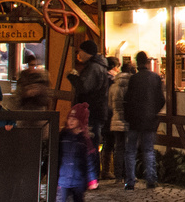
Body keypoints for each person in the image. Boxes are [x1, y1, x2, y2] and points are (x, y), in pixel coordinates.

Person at [65, 42, 112, 189]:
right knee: (91, 143)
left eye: (81, 52)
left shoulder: (93, 67)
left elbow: (85, 87)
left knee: (90, 145)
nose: (79, 55)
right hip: (95, 111)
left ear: (87, 53)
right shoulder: (98, 66)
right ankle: (91, 178)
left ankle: (92, 179)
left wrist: (73, 78)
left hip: (92, 112)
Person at [52, 102, 95, 202]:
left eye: (74, 119)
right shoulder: (62, 136)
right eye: (69, 118)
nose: (70, 121)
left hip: (79, 179)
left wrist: (92, 179)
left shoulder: (85, 141)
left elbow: (89, 161)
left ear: (81, 122)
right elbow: (55, 156)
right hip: (63, 178)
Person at [122, 51, 164, 189]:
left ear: (136, 62)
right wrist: (153, 112)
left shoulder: (134, 79)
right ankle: (151, 179)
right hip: (150, 120)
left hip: (134, 120)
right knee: (148, 150)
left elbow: (127, 99)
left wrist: (128, 116)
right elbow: (161, 100)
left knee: (130, 151)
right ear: (147, 62)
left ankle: (130, 181)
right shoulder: (155, 77)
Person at [107, 58, 134, 180]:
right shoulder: (132, 86)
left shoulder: (113, 86)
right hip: (129, 120)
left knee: (119, 147)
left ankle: (118, 175)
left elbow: (109, 105)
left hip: (116, 120)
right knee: (130, 148)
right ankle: (128, 174)